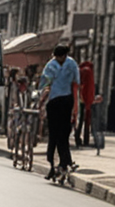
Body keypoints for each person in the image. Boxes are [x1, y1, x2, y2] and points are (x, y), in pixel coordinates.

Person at [41, 41, 80, 182]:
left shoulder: (71, 64)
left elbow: (76, 83)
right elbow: (44, 84)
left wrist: (76, 109)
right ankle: (52, 165)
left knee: (63, 135)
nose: (59, 59)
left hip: (66, 100)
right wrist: (41, 100)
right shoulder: (50, 65)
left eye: (60, 57)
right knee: (53, 135)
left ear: (65, 55)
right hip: (53, 102)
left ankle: (65, 163)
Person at [75, 54, 97, 145]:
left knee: (79, 120)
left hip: (80, 98)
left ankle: (77, 138)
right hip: (88, 99)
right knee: (87, 121)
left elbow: (80, 84)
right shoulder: (89, 71)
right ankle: (86, 140)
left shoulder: (82, 71)